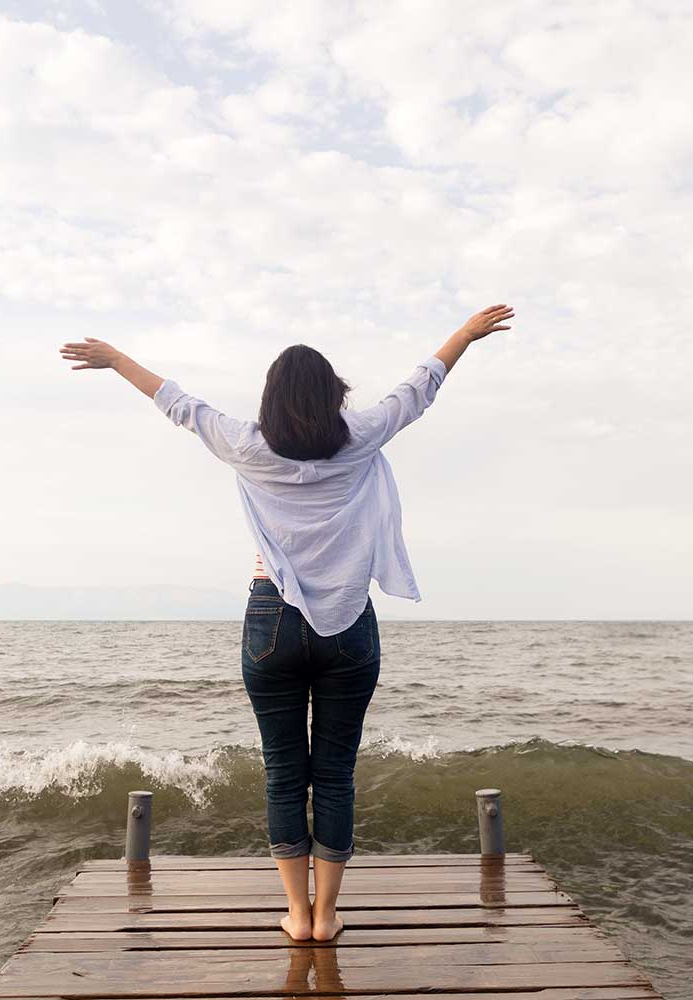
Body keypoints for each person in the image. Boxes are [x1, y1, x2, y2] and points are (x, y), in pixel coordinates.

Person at [59, 303, 516, 941]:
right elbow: (419, 388)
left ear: (271, 400)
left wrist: (114, 362)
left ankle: (296, 916)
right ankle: (327, 916)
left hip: (271, 618)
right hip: (348, 624)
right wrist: (465, 335)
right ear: (334, 395)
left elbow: (178, 403)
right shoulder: (361, 436)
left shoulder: (248, 444)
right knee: (334, 771)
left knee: (282, 770)